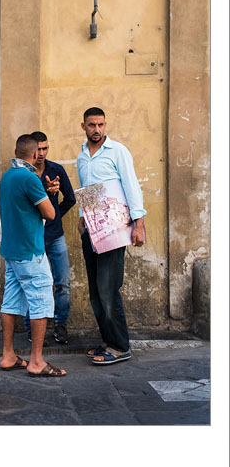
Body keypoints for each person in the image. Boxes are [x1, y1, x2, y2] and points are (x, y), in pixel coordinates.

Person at [77, 107, 146, 365]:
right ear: (83, 126)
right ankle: (108, 341)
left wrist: (139, 224)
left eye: (101, 124)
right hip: (92, 231)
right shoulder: (82, 157)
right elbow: (88, 190)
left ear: (105, 125)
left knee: (108, 288)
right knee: (95, 291)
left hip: (115, 230)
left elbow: (131, 185)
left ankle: (120, 346)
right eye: (92, 125)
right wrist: (83, 220)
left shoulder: (118, 152)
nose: (97, 129)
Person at [0, 135, 64, 377]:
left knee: (11, 302)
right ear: (35, 154)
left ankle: (8, 355)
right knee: (41, 301)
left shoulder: (7, 176)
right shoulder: (30, 177)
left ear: (16, 151)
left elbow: (17, 204)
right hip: (30, 251)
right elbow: (50, 213)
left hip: (11, 251)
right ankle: (36, 360)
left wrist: (42, 191)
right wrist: (47, 194)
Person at [22, 131, 76, 345]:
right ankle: (31, 329)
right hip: (32, 239)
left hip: (55, 237)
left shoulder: (57, 170)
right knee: (33, 284)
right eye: (39, 149)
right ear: (33, 151)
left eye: (46, 148)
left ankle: (60, 325)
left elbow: (70, 199)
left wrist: (53, 217)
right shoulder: (23, 174)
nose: (42, 153)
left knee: (63, 282)